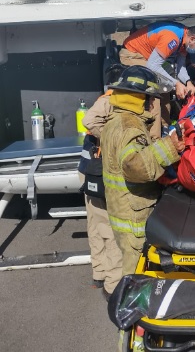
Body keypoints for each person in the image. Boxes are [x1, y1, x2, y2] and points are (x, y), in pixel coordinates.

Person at [100, 65, 185, 299]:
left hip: (123, 209)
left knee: (132, 266)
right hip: (133, 215)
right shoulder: (130, 127)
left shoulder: (116, 120)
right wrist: (170, 148)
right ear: (141, 98)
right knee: (138, 272)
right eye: (150, 99)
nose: (152, 105)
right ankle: (135, 320)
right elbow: (135, 167)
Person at [78, 63, 125, 297]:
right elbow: (89, 121)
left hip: (88, 168)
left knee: (95, 225)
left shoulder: (105, 97)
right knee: (108, 227)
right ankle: (112, 284)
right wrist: (111, 136)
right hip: (97, 170)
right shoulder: (110, 100)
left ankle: (99, 272)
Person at [119, 22, 195, 139]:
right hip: (133, 54)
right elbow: (153, 66)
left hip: (149, 58)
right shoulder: (172, 37)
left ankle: (165, 128)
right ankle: (155, 138)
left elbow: (180, 68)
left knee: (166, 88)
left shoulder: (185, 41)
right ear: (193, 39)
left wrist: (188, 82)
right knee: (154, 92)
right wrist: (176, 83)